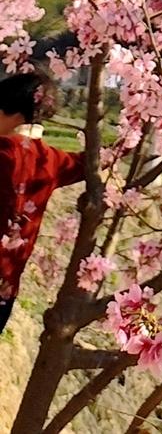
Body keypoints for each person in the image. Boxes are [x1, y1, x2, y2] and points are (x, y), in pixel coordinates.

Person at [0, 68, 84, 334]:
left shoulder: (3, 153)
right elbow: (88, 163)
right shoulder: (51, 160)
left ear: (11, 113)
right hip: (6, 286)